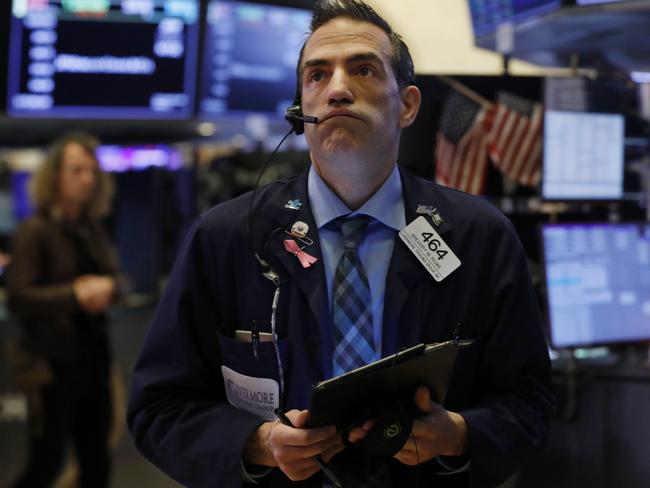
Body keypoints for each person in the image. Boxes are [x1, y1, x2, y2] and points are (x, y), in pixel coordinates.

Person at [128, 1, 554, 487]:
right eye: (316, 76)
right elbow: (158, 410)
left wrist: (458, 434)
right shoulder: (227, 239)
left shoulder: (479, 238)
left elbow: (530, 403)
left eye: (363, 69)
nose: (336, 90)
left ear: (407, 105)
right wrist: (257, 443)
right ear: (300, 111)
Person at [7, 132, 121, 488]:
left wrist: (110, 288)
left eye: (90, 171)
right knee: (46, 464)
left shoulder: (89, 229)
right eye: (76, 170)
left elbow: (118, 278)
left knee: (96, 462)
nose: (86, 179)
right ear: (54, 175)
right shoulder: (34, 230)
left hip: (92, 362)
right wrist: (74, 295)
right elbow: (18, 296)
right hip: (52, 368)